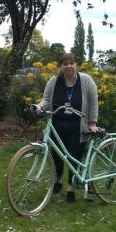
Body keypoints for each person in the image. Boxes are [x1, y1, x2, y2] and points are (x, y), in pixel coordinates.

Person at [35, 53, 98, 203]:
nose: (68, 66)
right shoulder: (54, 81)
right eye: (65, 64)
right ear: (61, 66)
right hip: (57, 125)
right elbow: (46, 99)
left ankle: (71, 187)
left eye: (71, 63)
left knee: (74, 157)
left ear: (76, 65)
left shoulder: (86, 81)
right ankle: (57, 181)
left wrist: (92, 122)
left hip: (77, 126)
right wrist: (39, 107)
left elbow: (93, 102)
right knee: (57, 156)